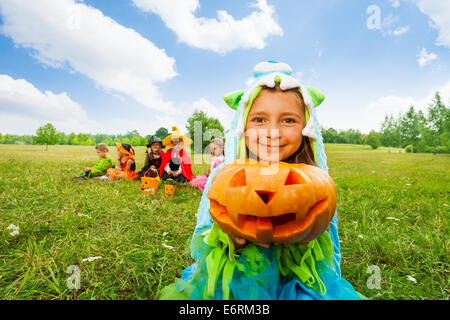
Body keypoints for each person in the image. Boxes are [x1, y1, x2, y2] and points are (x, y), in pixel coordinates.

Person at [160, 61, 363, 300]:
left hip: (296, 279)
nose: (273, 131)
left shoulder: (313, 177)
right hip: (239, 276)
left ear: (306, 127)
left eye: (288, 120)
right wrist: (230, 241)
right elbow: (204, 231)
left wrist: (308, 242)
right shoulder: (224, 175)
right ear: (243, 124)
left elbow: (328, 241)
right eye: (259, 120)